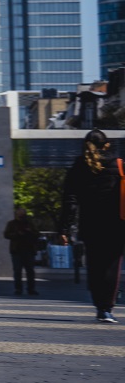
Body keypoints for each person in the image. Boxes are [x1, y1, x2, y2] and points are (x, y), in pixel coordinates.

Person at [62, 129, 123, 324]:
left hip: (90, 225)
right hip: (116, 225)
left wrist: (65, 228)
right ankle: (107, 307)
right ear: (106, 145)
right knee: (112, 267)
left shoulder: (78, 168)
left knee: (95, 265)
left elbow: (69, 200)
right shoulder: (119, 165)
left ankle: (99, 305)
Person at [5, 205, 44, 297]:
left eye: (23, 215)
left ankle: (31, 288)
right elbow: (6, 234)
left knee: (30, 270)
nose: (21, 217)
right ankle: (18, 289)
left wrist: (29, 231)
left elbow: (37, 234)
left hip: (29, 249)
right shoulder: (11, 224)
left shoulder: (30, 223)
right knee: (17, 270)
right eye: (19, 215)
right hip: (17, 250)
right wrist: (17, 234)